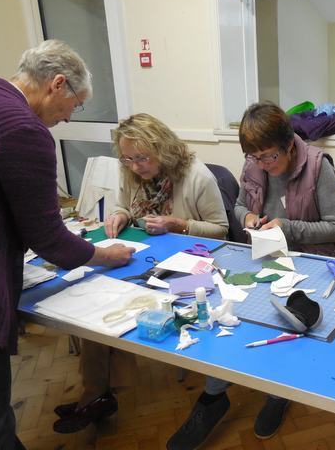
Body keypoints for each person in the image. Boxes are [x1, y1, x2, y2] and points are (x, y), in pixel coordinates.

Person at [167, 102, 335, 449]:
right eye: (254, 157)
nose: (261, 164)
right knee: (222, 307)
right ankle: (213, 397)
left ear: (290, 145)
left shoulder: (317, 167)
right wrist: (247, 217)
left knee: (283, 316)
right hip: (264, 256)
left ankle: (277, 392)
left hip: (312, 264)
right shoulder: (253, 162)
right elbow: (236, 207)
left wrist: (289, 227)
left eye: (268, 157)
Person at [0, 40, 134, 450]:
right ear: (57, 84)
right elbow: (48, 238)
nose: (69, 116)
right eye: (76, 104)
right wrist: (106, 255)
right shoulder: (24, 128)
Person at [52, 113, 229, 434]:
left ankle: (98, 395)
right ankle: (95, 393)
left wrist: (179, 224)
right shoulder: (131, 173)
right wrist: (118, 217)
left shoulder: (197, 177)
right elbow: (124, 206)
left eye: (142, 158)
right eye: (127, 158)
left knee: (129, 305)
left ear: (163, 149)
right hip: (148, 263)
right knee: (98, 304)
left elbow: (222, 230)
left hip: (198, 271)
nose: (135, 166)